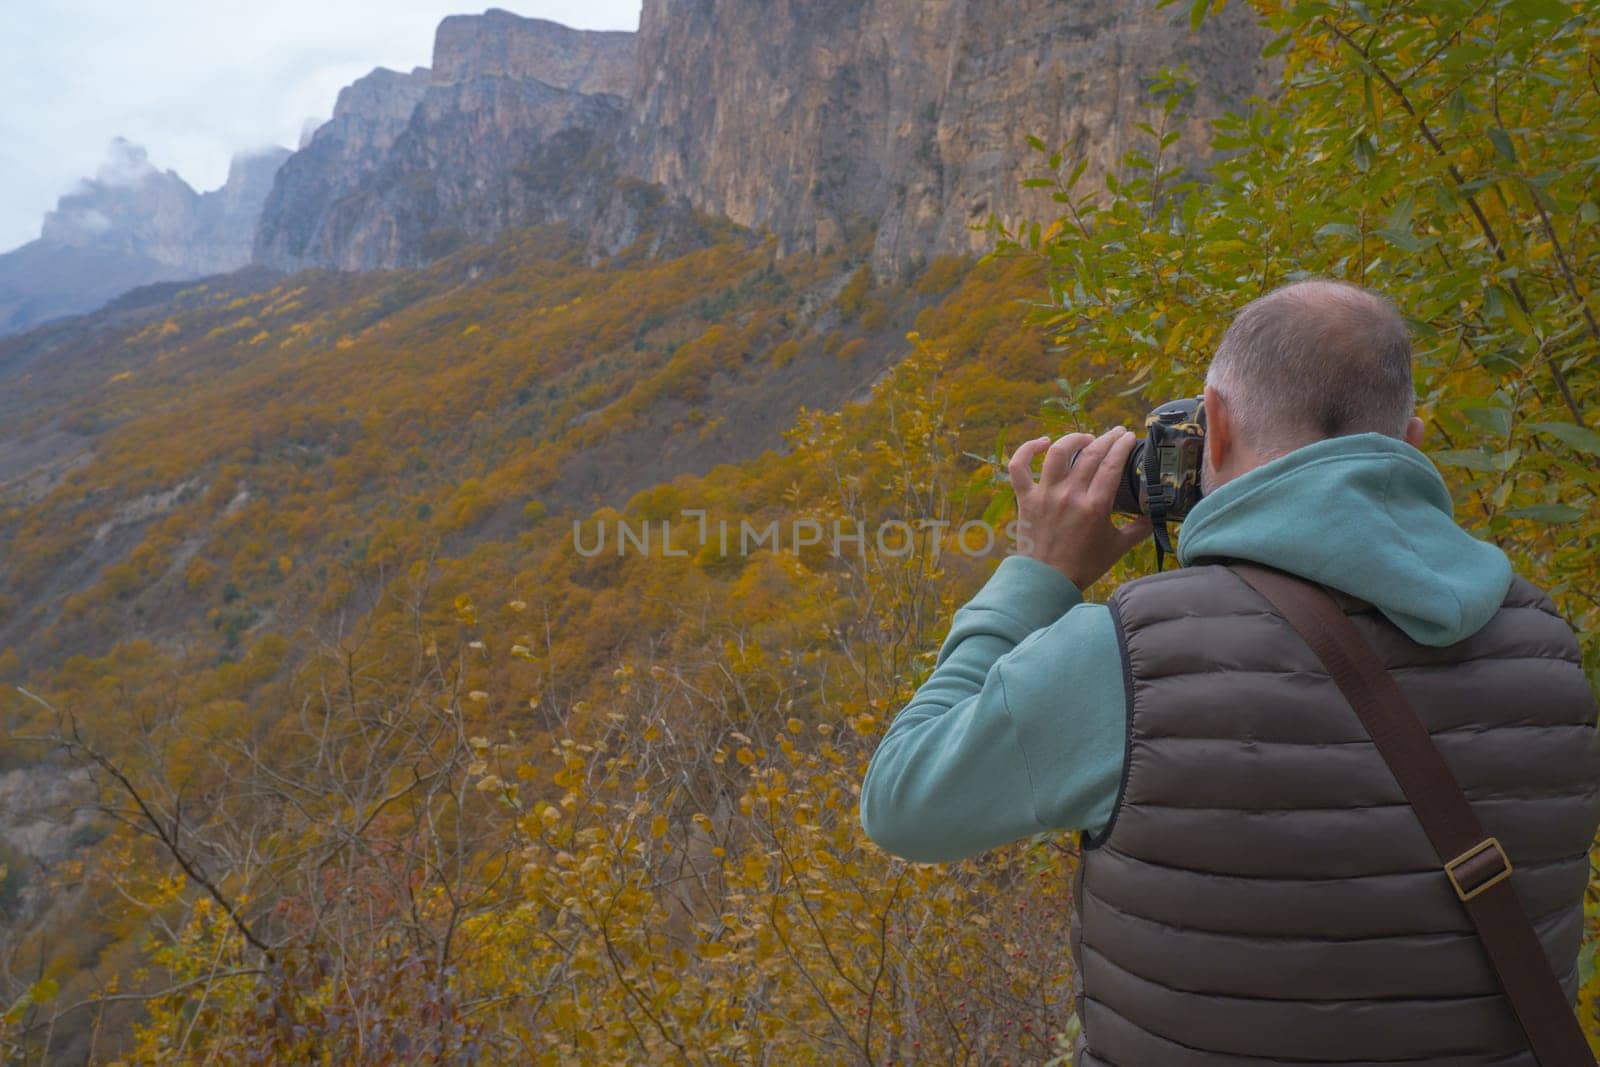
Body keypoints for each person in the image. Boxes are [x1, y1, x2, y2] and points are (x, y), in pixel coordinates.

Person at [858, 279, 1600, 1063]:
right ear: (1409, 440)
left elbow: (903, 801)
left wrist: (1037, 575)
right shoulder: (1546, 646)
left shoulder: (1126, 656)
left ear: (1213, 426)